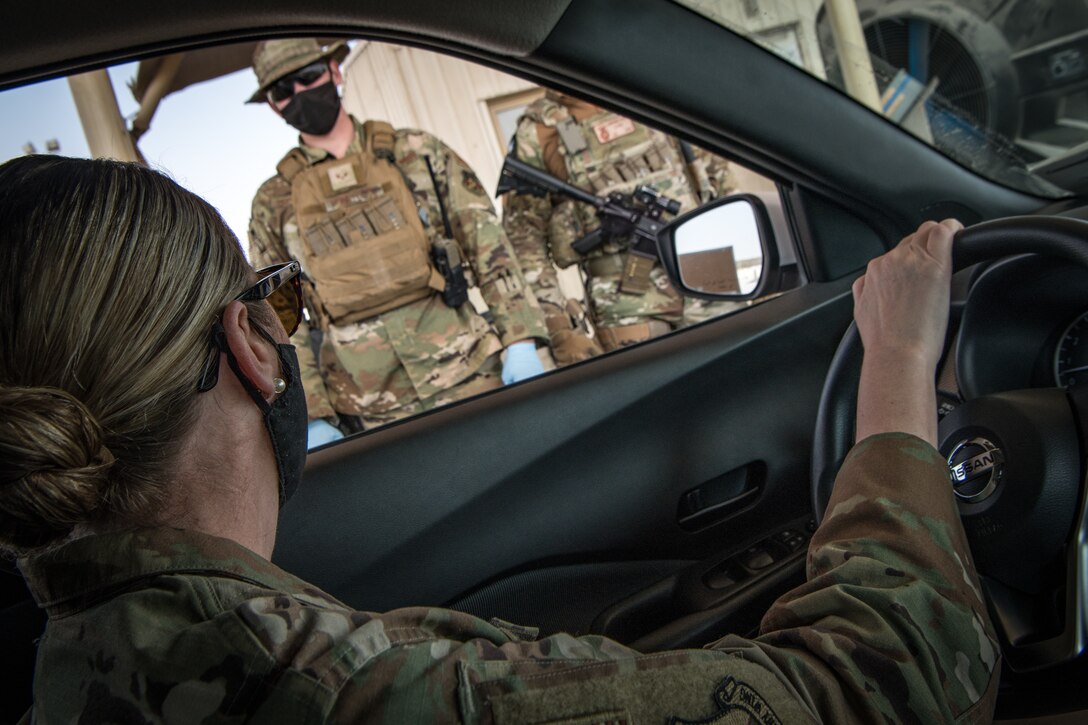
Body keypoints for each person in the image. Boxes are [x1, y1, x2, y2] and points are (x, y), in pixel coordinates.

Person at [1, 153, 998, 722]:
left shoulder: (75, 670)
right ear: (251, 350)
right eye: (278, 304)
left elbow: (483, 250)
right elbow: (878, 688)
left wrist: (523, 338)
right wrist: (900, 364)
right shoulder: (340, 690)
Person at [247, 39, 549, 440]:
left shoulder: (417, 153)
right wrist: (312, 412)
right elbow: (278, 316)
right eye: (283, 90)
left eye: (307, 77)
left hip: (468, 369)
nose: (299, 93)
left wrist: (520, 337)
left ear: (335, 72)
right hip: (369, 407)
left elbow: (486, 244)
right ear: (273, 105)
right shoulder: (274, 200)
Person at [503, 90, 745, 363]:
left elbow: (721, 184)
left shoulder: (648, 87)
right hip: (624, 300)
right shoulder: (541, 127)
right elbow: (524, 237)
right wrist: (557, 324)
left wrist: (756, 268)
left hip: (708, 272)